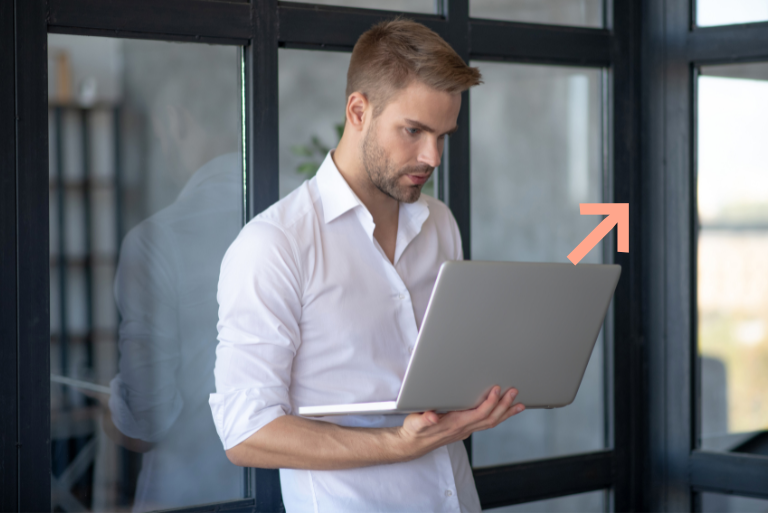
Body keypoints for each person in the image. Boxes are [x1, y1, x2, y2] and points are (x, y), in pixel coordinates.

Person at [209, 18, 525, 512]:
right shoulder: (275, 245)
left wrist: (482, 395)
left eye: (443, 136)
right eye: (414, 131)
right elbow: (247, 432)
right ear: (358, 110)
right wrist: (399, 444)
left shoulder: (440, 223)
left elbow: (448, 372)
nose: (432, 156)